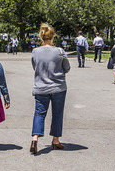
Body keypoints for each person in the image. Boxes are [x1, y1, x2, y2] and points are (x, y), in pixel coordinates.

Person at [30, 24, 70, 153]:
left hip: (40, 87)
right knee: (57, 114)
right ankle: (55, 140)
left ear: (42, 37)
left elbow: (34, 67)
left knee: (39, 113)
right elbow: (67, 68)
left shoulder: (35, 51)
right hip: (58, 87)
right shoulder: (60, 51)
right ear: (53, 37)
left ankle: (35, 137)